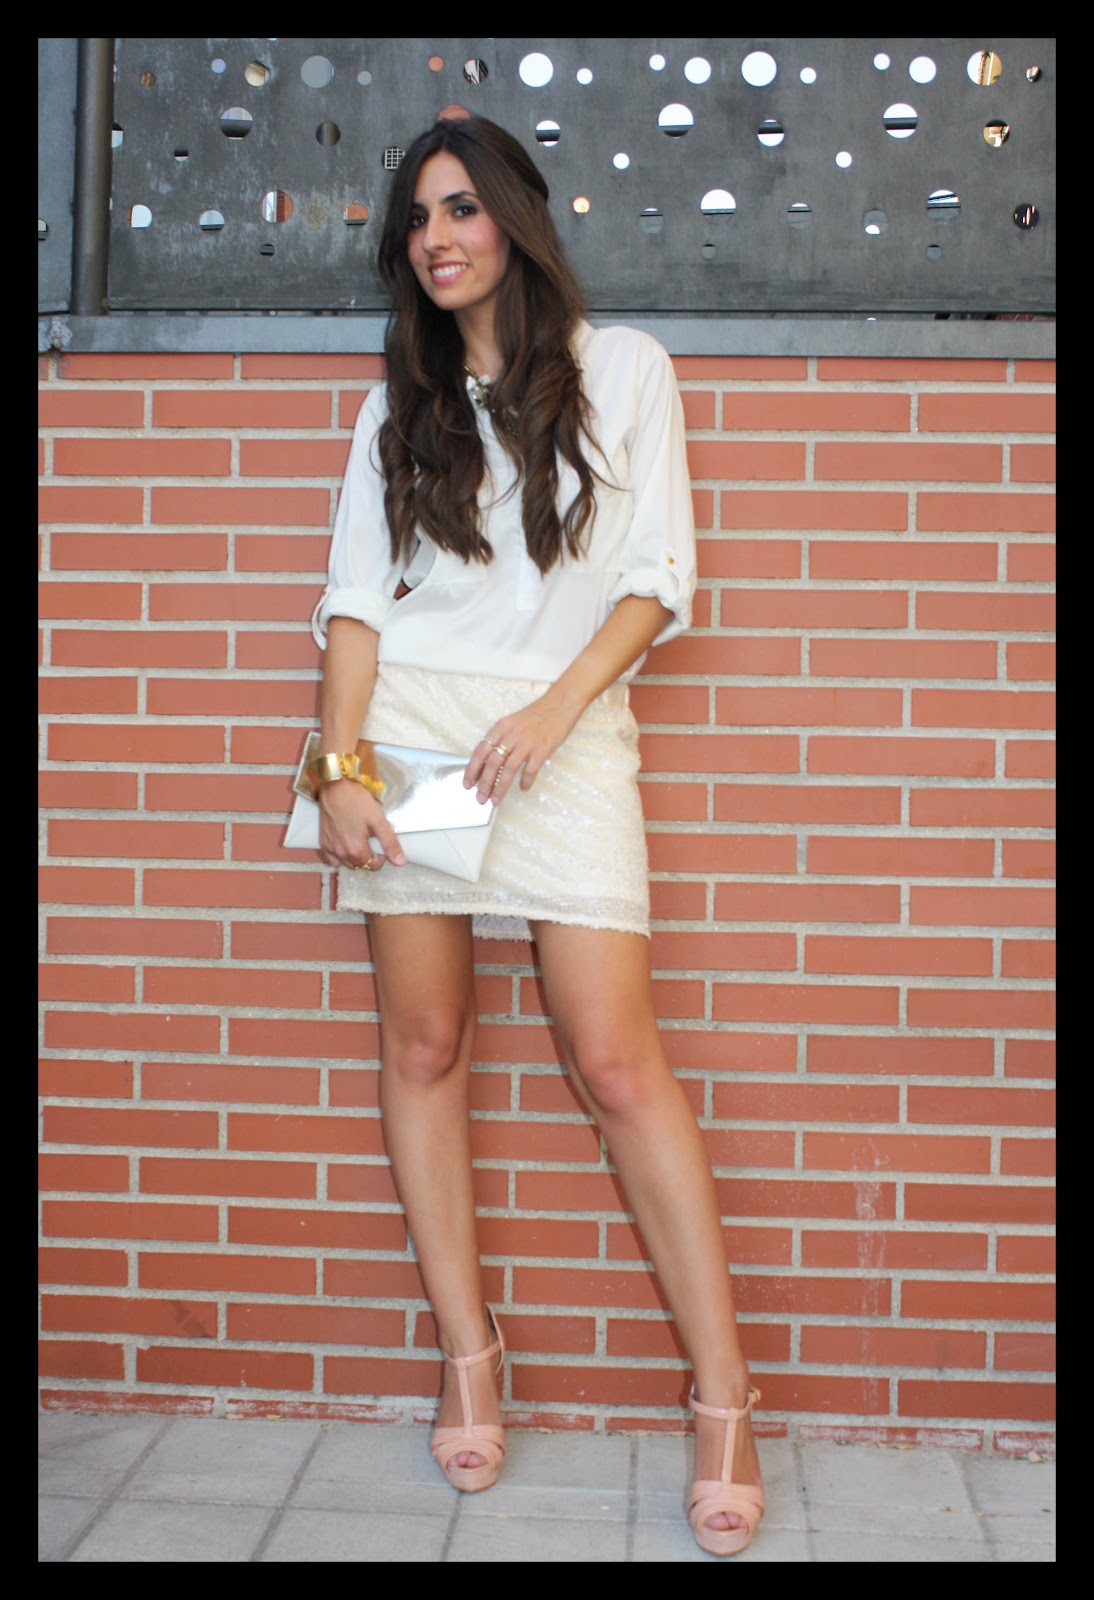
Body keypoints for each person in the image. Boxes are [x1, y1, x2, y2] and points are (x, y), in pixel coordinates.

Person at [309, 113, 764, 1558]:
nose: (435, 239)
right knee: (425, 1047)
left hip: (558, 735)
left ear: (514, 214)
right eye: (414, 221)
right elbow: (355, 606)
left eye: (459, 209)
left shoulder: (625, 370)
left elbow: (657, 579)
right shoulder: (398, 410)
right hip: (416, 738)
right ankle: (469, 1356)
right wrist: (339, 770)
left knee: (614, 1060)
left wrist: (557, 712)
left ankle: (724, 1400)